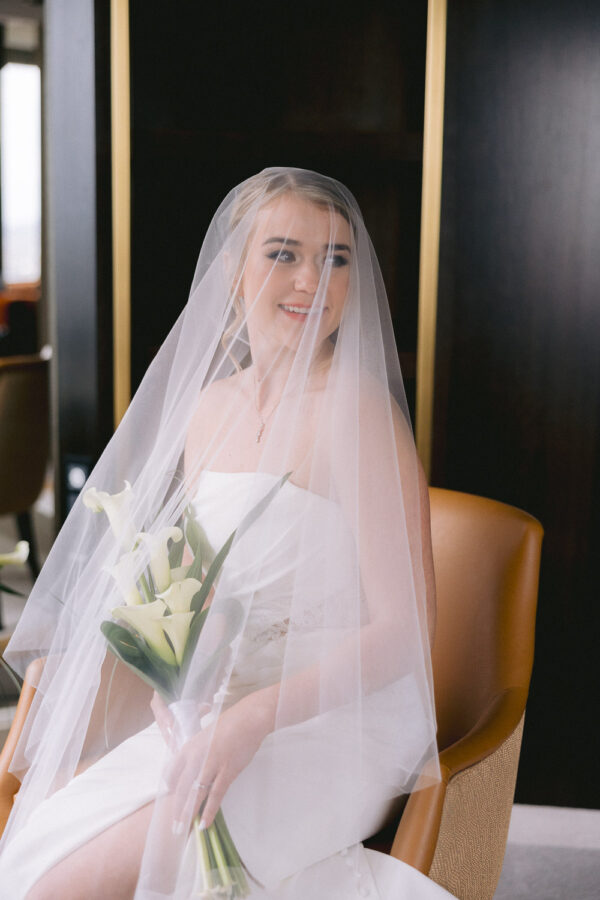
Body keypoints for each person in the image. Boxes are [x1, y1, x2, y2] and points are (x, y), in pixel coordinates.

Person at [0, 168, 456, 899]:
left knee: (76, 886)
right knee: (36, 863)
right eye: (283, 253)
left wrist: (251, 722)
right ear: (232, 273)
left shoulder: (358, 413)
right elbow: (200, 584)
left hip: (332, 722)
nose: (313, 279)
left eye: (336, 258)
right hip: (214, 712)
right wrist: (173, 674)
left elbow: (406, 633)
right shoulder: (210, 407)